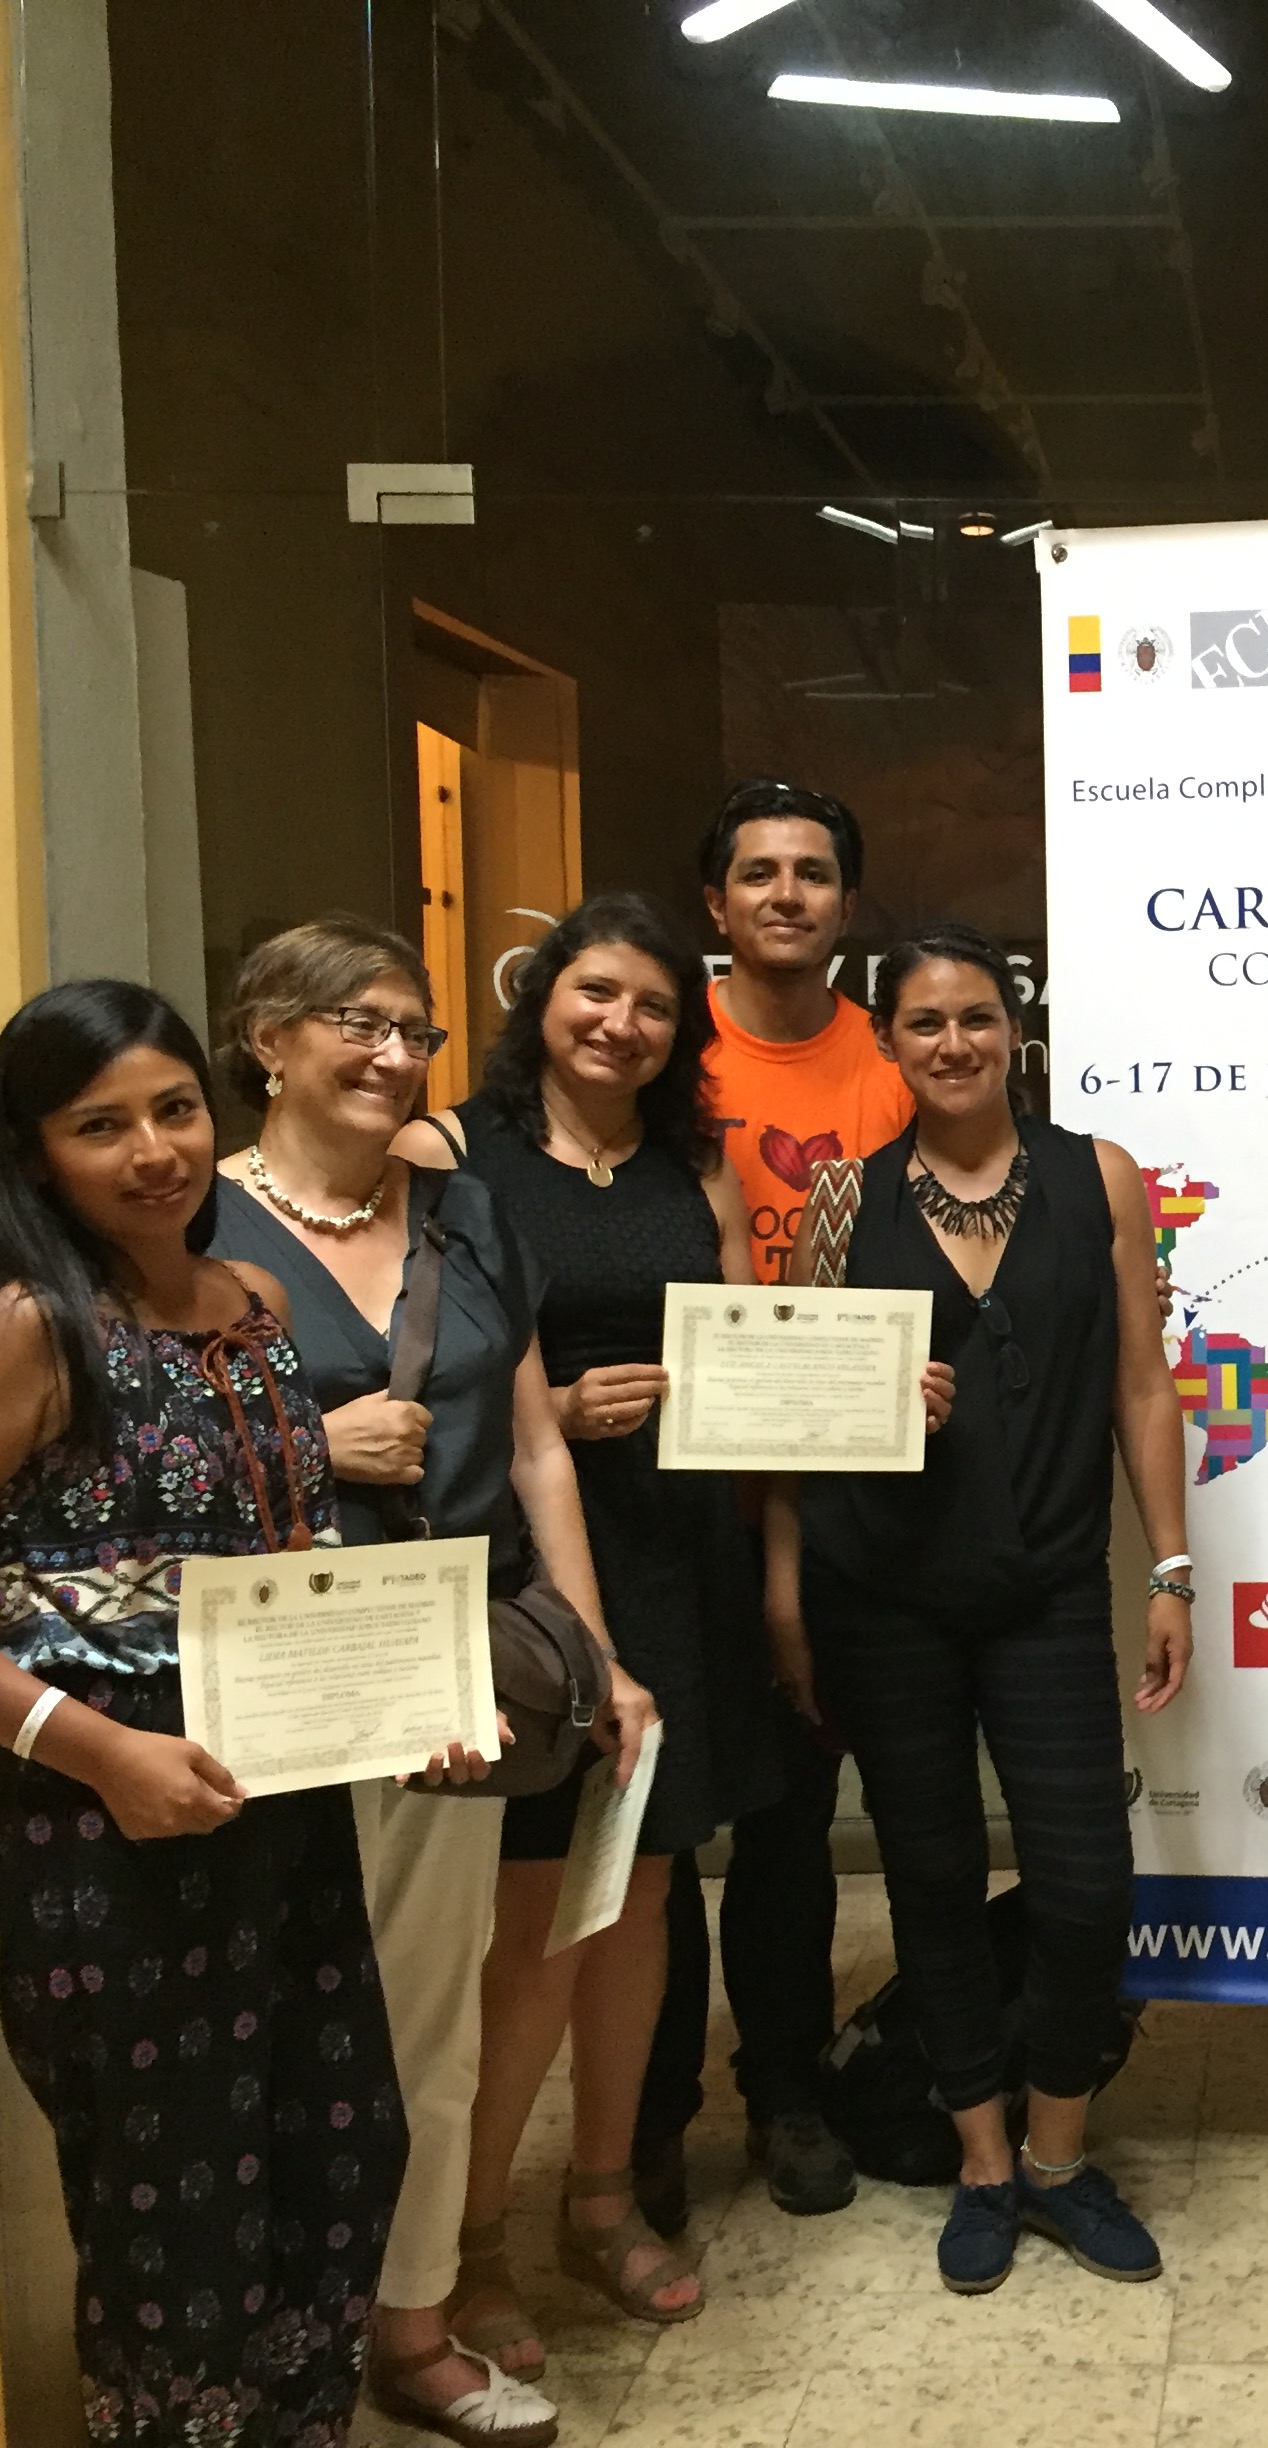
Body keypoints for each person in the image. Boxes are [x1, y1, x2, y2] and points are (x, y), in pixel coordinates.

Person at [0, 981, 404, 2447]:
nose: (154, 1150)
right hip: (104, 1835)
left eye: (173, 1110)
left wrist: (401, 1707)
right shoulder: (24, 1329)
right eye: (102, 1126)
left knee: (338, 2164)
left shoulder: (255, 1310)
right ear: (33, 1159)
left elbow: (284, 1568)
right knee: (176, 2235)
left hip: (281, 1809)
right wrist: (96, 1750)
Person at [211, 917, 652, 2448]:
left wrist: (592, 1652)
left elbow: (533, 1445)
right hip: (260, 1678)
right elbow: (114, 1460)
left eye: (417, 1030)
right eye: (359, 1022)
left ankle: (409, 2327)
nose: (396, 1054)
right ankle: (261, 2339)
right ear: (269, 1038)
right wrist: (299, 1449)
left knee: (427, 2018)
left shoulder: (463, 1216)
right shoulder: (186, 1227)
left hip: (442, 1665)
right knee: (260, 2015)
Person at [790, 920, 1190, 2295]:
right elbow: (797, 1398)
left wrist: (1172, 1567)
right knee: (934, 1878)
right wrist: (866, 1401)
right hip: (884, 1595)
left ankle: (1062, 2155)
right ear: (887, 1042)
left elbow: (1146, 1383)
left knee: (1086, 1884)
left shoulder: (1102, 1177)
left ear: (1013, 1030)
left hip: (1046, 1588)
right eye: (922, 1024)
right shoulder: (844, 1200)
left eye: (973, 1018)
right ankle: (977, 2158)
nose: (951, 1043)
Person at [407, 894, 780, 2352]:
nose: (620, 1024)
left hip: (681, 1552)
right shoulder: (451, 1152)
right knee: (530, 1930)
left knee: (643, 1900)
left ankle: (605, 2196)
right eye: (596, 993)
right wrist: (541, 1415)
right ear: (541, 997)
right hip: (525, 1573)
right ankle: (470, 2237)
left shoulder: (694, 1161)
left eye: (652, 1007)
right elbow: (413, 1357)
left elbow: (750, 1349)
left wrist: (827, 1389)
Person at [635, 777, 917, 2230]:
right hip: (678, 1501)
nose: (788, 893)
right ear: (716, 903)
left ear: (846, 907)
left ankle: (788, 2087)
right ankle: (652, 2116)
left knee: (798, 1821)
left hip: (847, 1497)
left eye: (814, 871)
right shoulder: (660, 1061)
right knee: (667, 1826)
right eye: (759, 872)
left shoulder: (898, 1063)